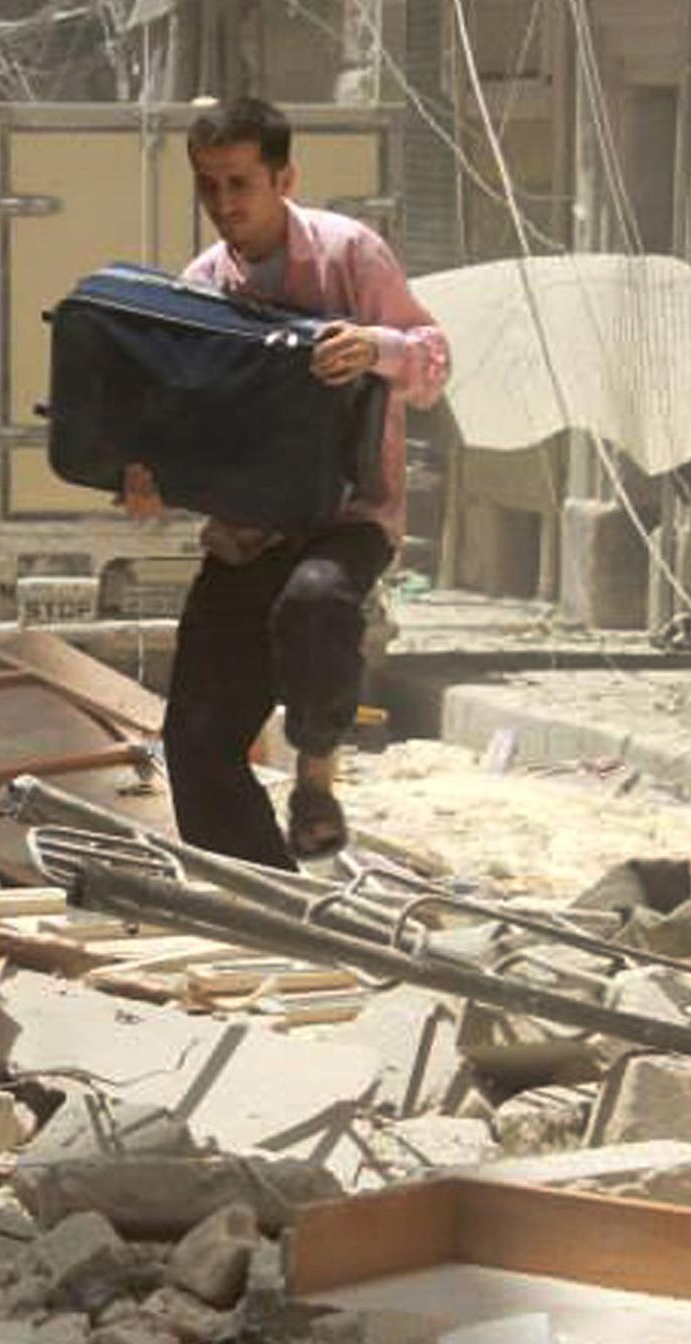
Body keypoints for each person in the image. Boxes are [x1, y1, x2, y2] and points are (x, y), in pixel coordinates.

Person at [125, 98, 449, 871]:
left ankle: (315, 777)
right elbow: (189, 417)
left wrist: (373, 346)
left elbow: (433, 359)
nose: (225, 206)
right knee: (195, 743)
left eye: (240, 184)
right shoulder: (199, 288)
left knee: (316, 601)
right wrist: (151, 472)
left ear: (284, 177)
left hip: (348, 515)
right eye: (209, 187)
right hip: (246, 533)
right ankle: (264, 898)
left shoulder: (350, 255)